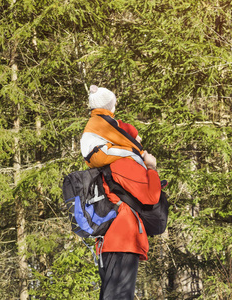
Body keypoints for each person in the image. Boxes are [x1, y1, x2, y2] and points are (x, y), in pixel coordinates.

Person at [80, 85, 164, 299]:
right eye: (136, 138)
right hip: (123, 237)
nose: (139, 143)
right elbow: (151, 196)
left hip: (111, 240)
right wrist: (152, 168)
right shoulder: (122, 162)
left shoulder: (107, 161)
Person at [80, 85, 145, 169]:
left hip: (93, 156)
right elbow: (123, 137)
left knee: (125, 153)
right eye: (113, 105)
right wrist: (140, 150)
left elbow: (118, 126)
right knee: (134, 154)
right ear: (107, 107)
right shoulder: (103, 121)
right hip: (99, 154)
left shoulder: (96, 119)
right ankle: (148, 178)